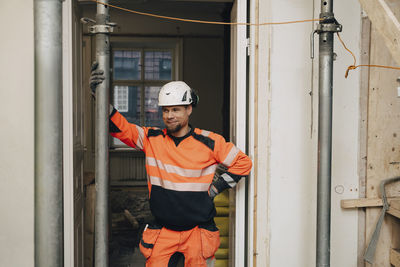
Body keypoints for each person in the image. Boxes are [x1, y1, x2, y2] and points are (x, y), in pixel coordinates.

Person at [90, 63, 252, 267]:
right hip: (162, 232)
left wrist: (216, 188)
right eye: (166, 110)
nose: (169, 115)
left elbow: (243, 163)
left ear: (189, 109)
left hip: (197, 233)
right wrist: (100, 97)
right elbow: (121, 128)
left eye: (176, 109)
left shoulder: (210, 142)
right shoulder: (151, 138)